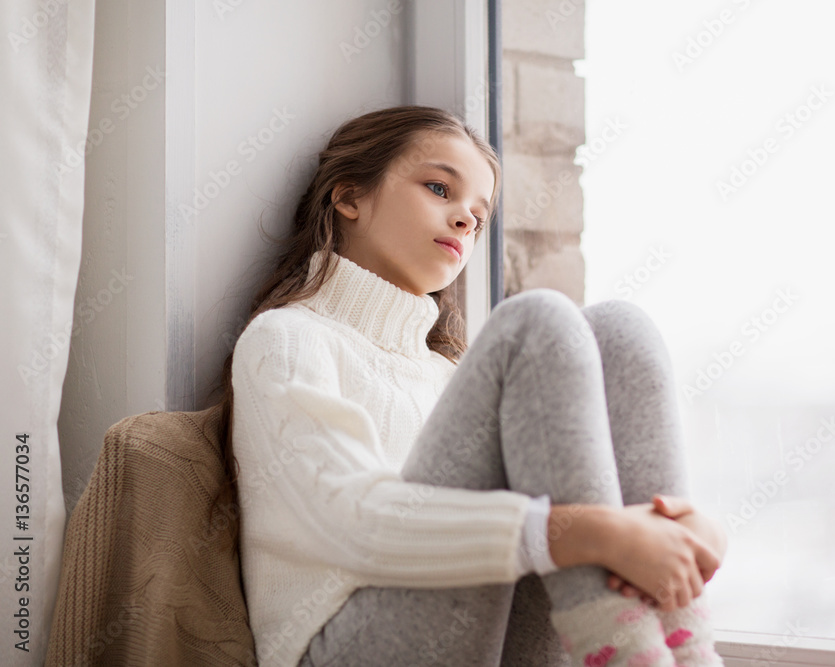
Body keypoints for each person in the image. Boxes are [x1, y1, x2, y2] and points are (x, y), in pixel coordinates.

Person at [213, 105, 728, 667]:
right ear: (349, 197)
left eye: (478, 218)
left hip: (483, 643)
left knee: (621, 330)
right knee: (536, 324)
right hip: (345, 648)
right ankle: (630, 652)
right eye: (440, 188)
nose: (464, 220)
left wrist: (685, 539)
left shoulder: (446, 375)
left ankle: (684, 640)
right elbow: (351, 526)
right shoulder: (288, 341)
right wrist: (594, 532)